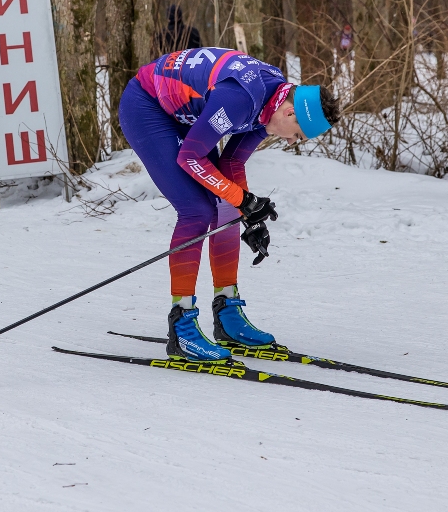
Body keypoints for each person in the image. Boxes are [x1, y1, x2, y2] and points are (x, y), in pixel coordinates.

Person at [118, 47, 341, 362]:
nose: (291, 141)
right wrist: (244, 199)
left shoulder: (273, 99)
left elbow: (233, 161)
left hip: (185, 114)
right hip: (147, 106)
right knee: (196, 210)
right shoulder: (242, 99)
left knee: (225, 206)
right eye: (298, 135)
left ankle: (227, 314)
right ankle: (182, 327)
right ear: (290, 113)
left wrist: (249, 214)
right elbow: (190, 157)